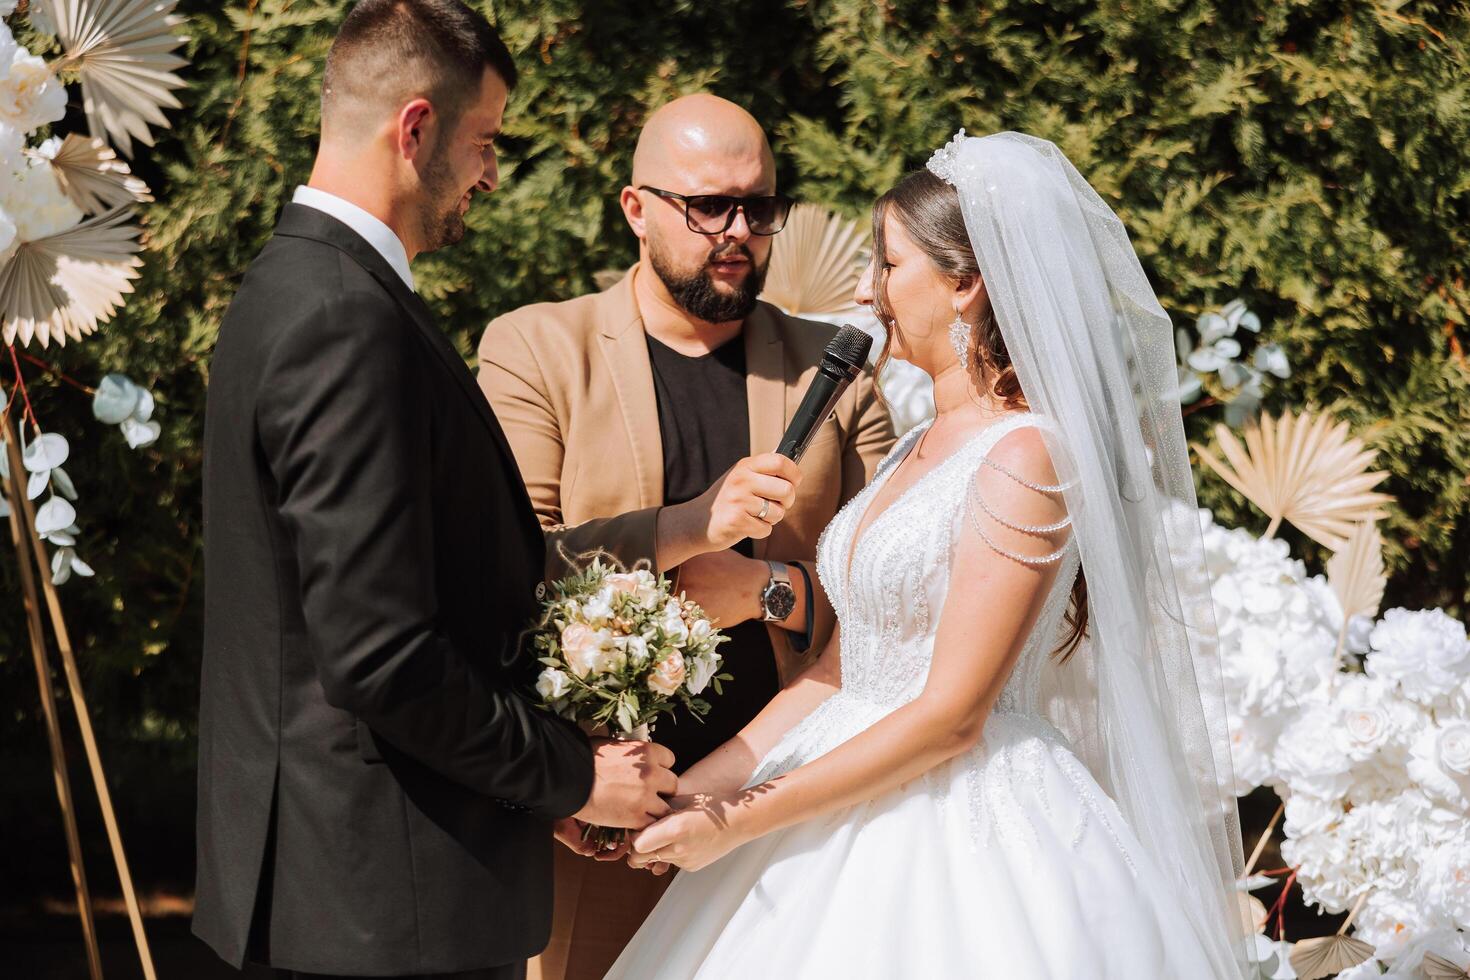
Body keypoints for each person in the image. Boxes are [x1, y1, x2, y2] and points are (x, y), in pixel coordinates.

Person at [608, 132, 1251, 979]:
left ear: (966, 283)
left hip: (960, 824)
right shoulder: (916, 444)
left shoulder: (1027, 457)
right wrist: (691, 792)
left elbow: (952, 716)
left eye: (888, 266)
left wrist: (738, 822)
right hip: (821, 786)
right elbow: (838, 674)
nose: (867, 292)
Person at [195, 3, 675, 977]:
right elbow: (380, 654)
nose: (494, 173)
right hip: (384, 913)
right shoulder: (343, 318)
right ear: (416, 130)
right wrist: (570, 775)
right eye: (486, 141)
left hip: (350, 892)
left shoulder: (286, 289)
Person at [476, 94, 896, 980]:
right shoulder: (536, 351)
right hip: (600, 824)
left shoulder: (842, 375)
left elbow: (902, 599)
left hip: (793, 827)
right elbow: (504, 573)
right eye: (709, 206)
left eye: (759, 207)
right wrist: (686, 528)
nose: (738, 230)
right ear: (636, 208)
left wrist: (770, 592)